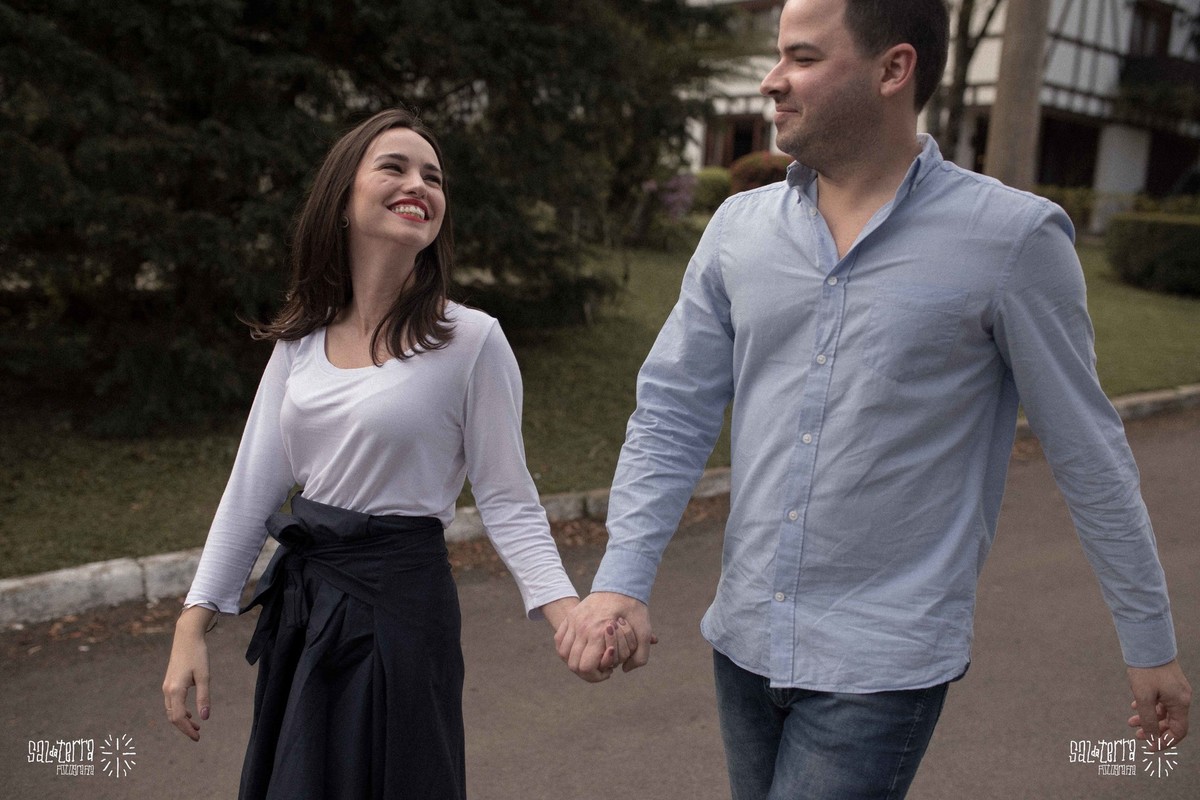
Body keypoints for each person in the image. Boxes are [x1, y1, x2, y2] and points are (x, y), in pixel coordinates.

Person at [555, 0, 1192, 797]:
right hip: (744, 637)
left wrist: (1149, 641)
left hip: (881, 661)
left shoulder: (1014, 240)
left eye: (803, 57)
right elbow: (673, 413)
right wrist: (622, 580)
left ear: (894, 69)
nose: (771, 79)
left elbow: (1089, 453)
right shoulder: (737, 230)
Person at [162, 107, 630, 800]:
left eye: (433, 175)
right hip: (308, 611)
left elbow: (507, 497)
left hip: (402, 611)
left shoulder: (471, 342)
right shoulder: (300, 342)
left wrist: (569, 620)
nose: (420, 183)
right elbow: (251, 492)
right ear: (343, 201)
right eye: (396, 167)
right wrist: (191, 625)